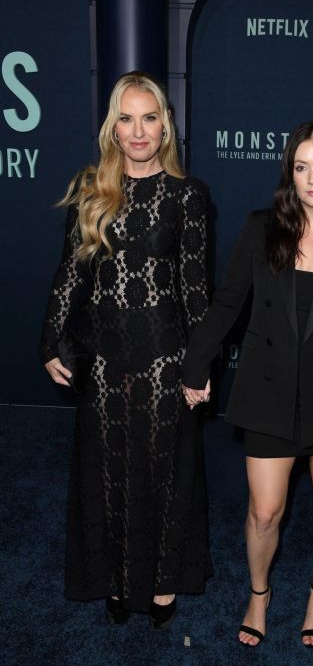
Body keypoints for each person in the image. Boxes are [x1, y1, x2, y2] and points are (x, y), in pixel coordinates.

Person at [182, 120, 313, 648]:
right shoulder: (260, 228)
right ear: (289, 173)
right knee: (265, 510)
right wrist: (196, 364)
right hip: (268, 391)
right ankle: (259, 591)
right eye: (301, 167)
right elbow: (228, 301)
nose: (312, 179)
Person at [39, 71, 212, 629]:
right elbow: (70, 274)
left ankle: (162, 583)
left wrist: (199, 364)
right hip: (106, 359)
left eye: (150, 118)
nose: (138, 131)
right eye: (127, 118)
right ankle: (113, 579)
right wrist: (51, 342)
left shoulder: (188, 196)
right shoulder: (93, 192)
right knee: (108, 469)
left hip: (165, 358)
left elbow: (195, 291)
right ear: (113, 127)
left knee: (164, 472)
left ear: (165, 127)